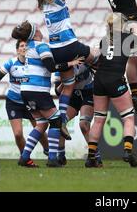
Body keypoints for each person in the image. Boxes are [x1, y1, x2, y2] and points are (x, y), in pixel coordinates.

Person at [36, 0, 96, 134]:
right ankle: (113, 84)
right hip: (70, 44)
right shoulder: (58, 1)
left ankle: (62, 120)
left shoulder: (44, 5)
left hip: (56, 50)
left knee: (68, 86)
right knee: (96, 58)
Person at [12, 21, 84, 167]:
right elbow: (51, 67)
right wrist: (71, 63)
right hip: (37, 90)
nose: (40, 29)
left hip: (25, 90)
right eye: (38, 28)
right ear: (35, 33)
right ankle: (52, 159)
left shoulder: (30, 47)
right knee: (56, 121)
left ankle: (24, 157)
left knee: (42, 123)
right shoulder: (41, 46)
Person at [0, 40, 49, 158]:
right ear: (17, 50)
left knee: (39, 129)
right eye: (21, 46)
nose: (24, 48)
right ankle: (25, 157)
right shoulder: (11, 63)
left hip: (30, 101)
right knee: (18, 134)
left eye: (26, 46)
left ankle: (48, 151)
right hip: (13, 102)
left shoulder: (34, 64)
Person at [85, 13, 137, 168]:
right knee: (128, 118)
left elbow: (95, 59)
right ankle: (128, 151)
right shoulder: (129, 38)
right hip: (115, 80)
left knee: (99, 119)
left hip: (99, 81)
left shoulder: (104, 40)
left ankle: (91, 157)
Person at [54, 65, 102, 166]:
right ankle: (61, 156)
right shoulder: (61, 65)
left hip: (88, 93)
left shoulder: (84, 58)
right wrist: (65, 81)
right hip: (73, 96)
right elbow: (58, 92)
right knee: (59, 122)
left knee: (84, 125)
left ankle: (95, 156)